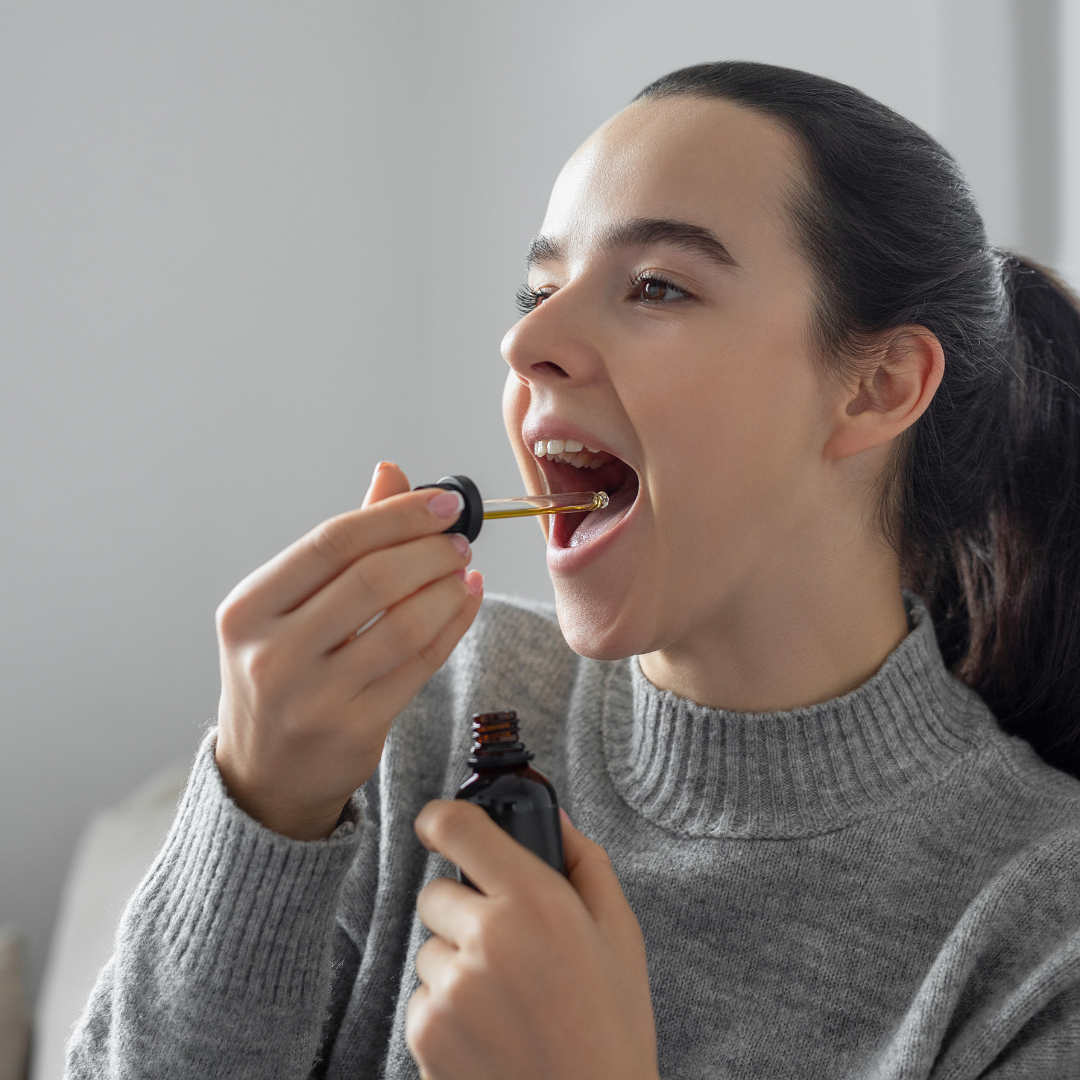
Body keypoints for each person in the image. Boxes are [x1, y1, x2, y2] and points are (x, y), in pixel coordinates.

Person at [68, 62, 1080, 1080]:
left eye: (657, 287)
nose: (527, 341)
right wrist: (261, 808)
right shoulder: (420, 716)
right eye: (540, 290)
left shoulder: (1044, 928)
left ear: (879, 386)